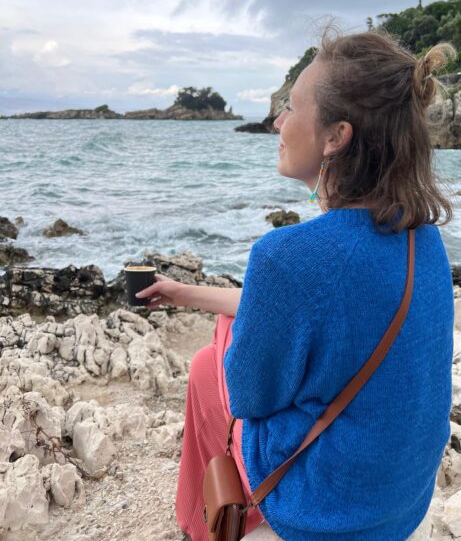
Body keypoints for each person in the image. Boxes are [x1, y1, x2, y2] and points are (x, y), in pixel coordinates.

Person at [136, 29, 456, 540]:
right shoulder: (423, 239)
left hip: (327, 512)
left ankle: (205, 525)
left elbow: (249, 399)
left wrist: (224, 332)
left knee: (205, 365)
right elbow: (300, 310)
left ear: (336, 136)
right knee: (224, 340)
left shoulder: (287, 256)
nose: (277, 122)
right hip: (400, 503)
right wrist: (183, 292)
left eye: (290, 107)